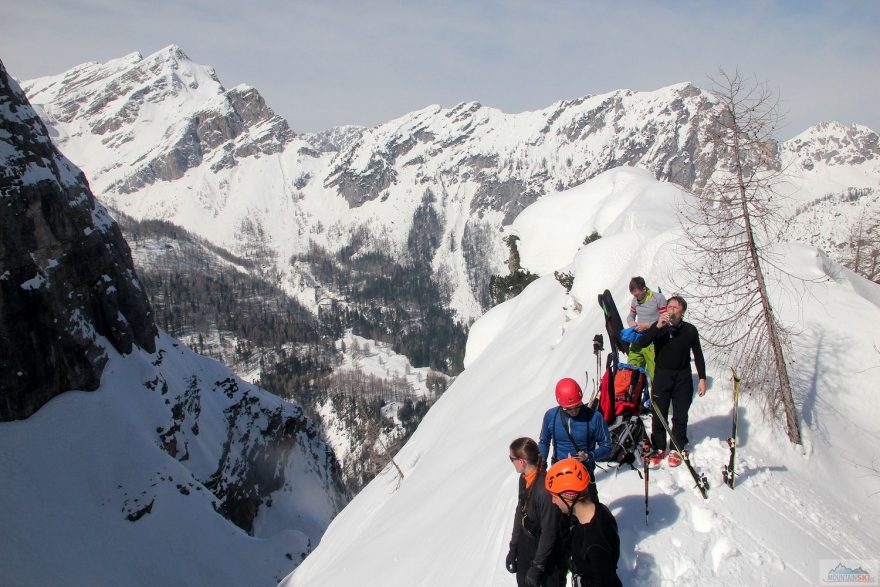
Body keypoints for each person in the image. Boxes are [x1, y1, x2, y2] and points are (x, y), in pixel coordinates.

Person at [639, 295, 707, 467]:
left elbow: (698, 355)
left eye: (675, 307)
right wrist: (657, 326)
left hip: (683, 376)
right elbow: (641, 343)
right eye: (669, 306)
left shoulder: (690, 330)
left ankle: (677, 446)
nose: (671, 309)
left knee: (680, 413)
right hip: (662, 375)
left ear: (682, 312)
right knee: (659, 412)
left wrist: (702, 379)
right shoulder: (659, 327)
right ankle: (659, 445)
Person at [545, 458, 622, 587]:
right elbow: (568, 541)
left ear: (569, 498)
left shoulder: (595, 543)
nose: (553, 502)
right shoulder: (597, 510)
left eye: (554, 496)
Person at [538, 378, 612, 503]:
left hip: (584, 472)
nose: (574, 411)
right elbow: (544, 441)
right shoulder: (551, 416)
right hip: (559, 473)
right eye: (568, 409)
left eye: (577, 406)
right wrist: (542, 463)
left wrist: (589, 456)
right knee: (559, 514)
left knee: (590, 512)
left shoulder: (595, 417)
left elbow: (607, 447)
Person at [505, 437, 566, 587]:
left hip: (546, 554)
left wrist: (537, 566)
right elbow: (520, 512)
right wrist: (514, 548)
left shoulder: (545, 490)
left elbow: (549, 531)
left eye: (511, 458)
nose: (511, 462)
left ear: (522, 461)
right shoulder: (524, 478)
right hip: (527, 545)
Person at [626, 276, 667, 380]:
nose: (636, 297)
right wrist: (632, 324)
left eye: (637, 294)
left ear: (644, 289)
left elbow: (665, 320)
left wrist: (647, 326)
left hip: (653, 341)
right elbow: (630, 316)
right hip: (638, 339)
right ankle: (633, 395)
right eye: (633, 295)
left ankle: (657, 395)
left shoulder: (658, 298)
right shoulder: (635, 300)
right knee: (631, 372)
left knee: (655, 374)